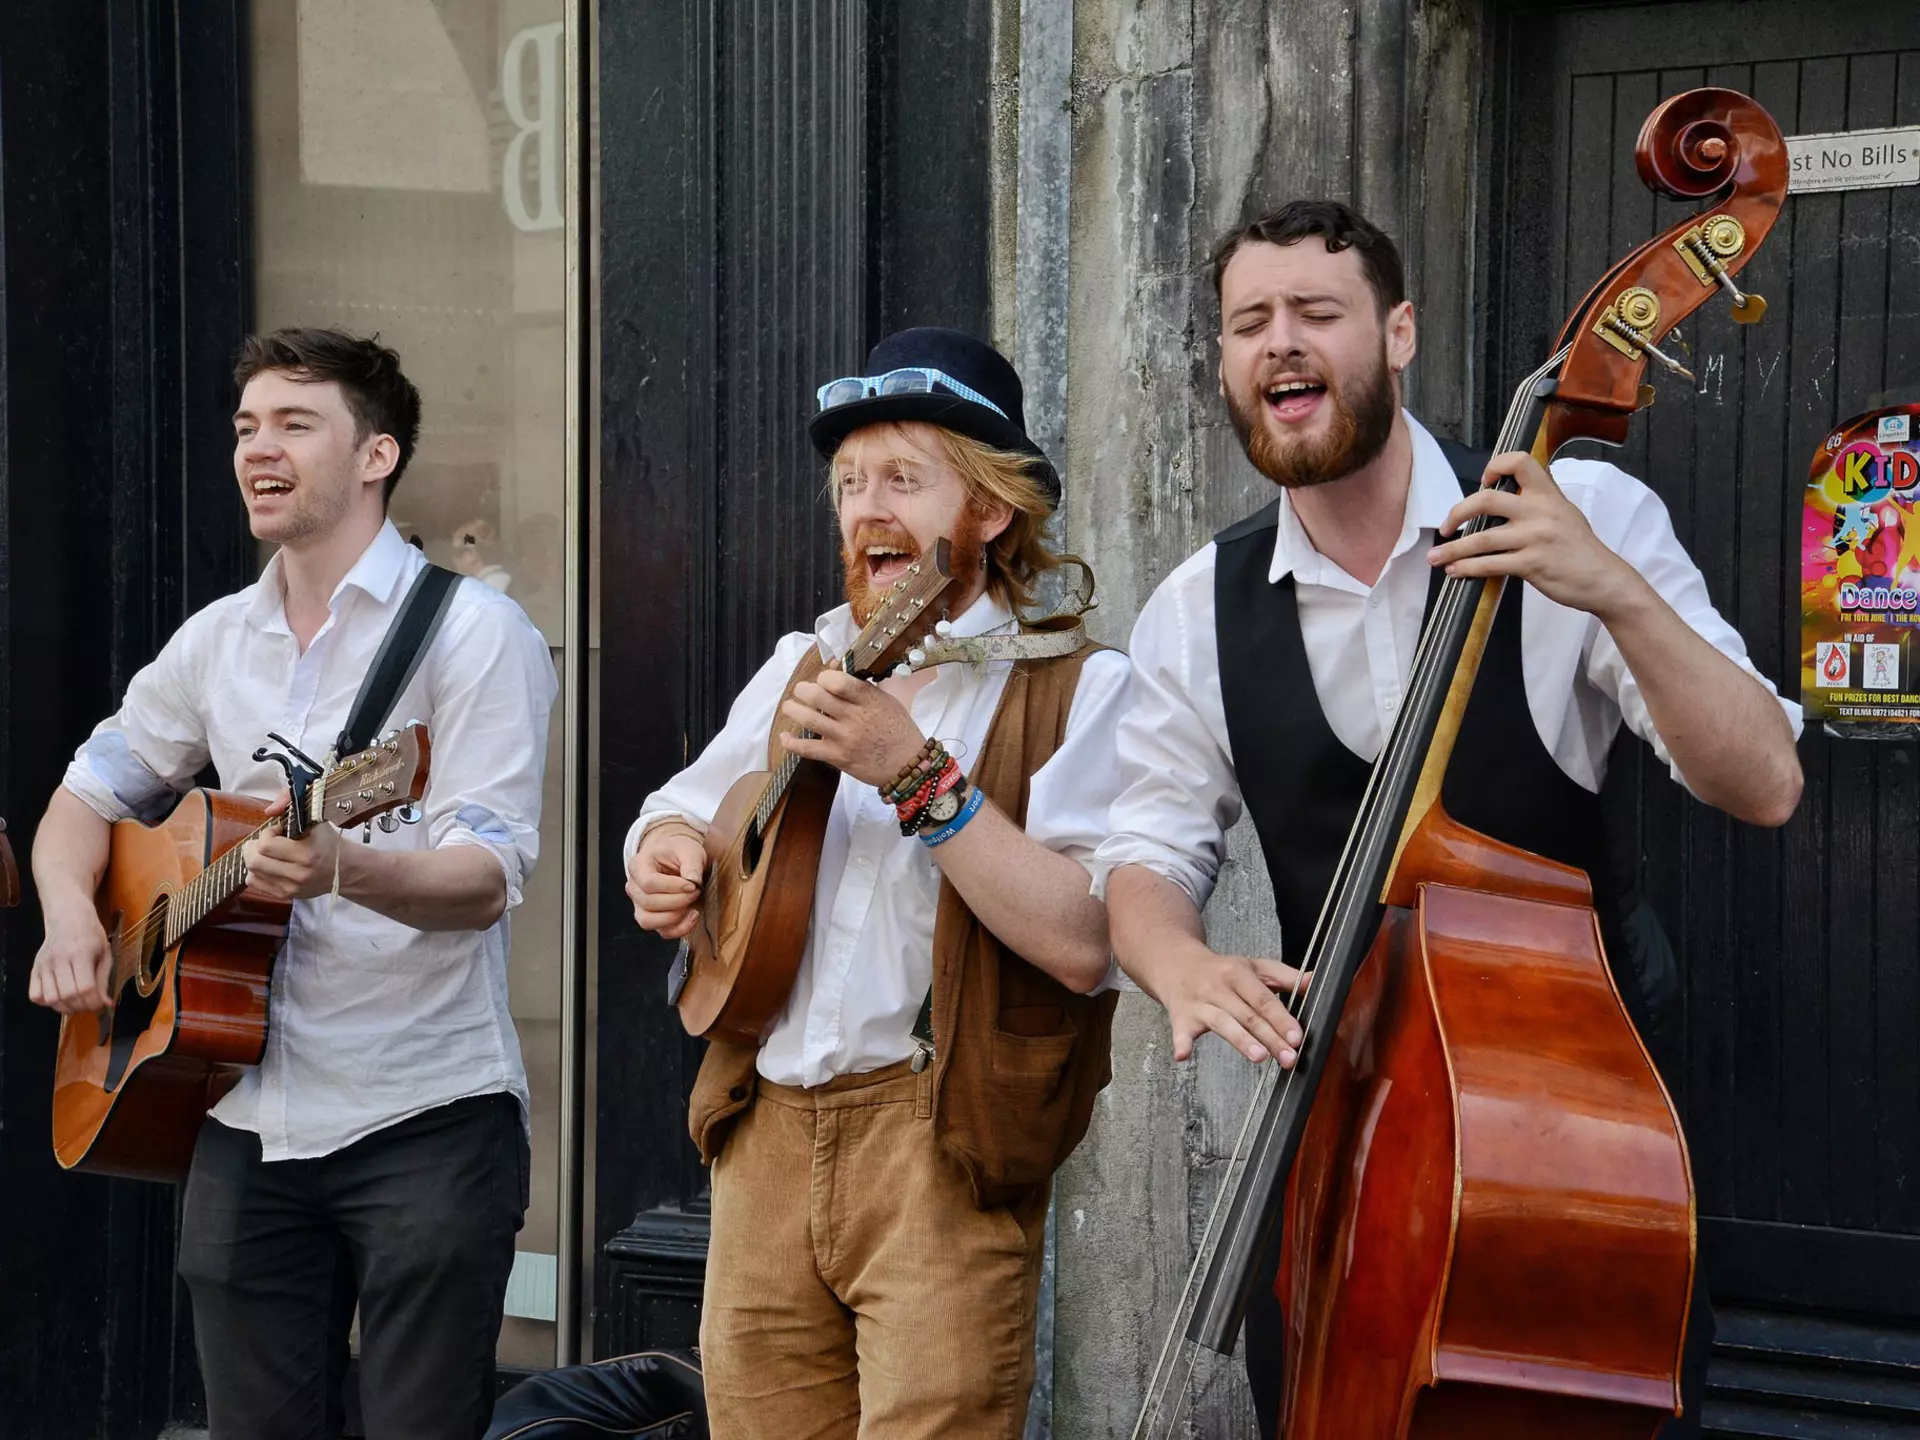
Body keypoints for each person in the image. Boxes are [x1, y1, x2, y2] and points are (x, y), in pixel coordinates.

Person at [1093, 200, 1804, 1437]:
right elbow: (1146, 850)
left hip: (1568, 1150)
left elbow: (1765, 784)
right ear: (1221, 362)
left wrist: (1615, 594)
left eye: (1317, 313)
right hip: (1334, 1152)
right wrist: (1180, 963)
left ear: (1400, 330)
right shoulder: (1196, 605)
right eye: (1249, 322)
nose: (1280, 344)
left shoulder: (1580, 516)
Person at [29, 327, 558, 1440]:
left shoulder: (474, 635)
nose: (257, 448)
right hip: (242, 1110)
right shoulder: (217, 643)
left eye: (294, 423)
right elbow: (84, 798)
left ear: (377, 455)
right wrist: (73, 917)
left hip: (425, 1112)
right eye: (245, 427)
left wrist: (346, 868)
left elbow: (486, 875)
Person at [624, 327, 1130, 1439]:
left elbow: (1089, 941)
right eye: (851, 484)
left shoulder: (1082, 686)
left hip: (940, 1146)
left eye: (904, 478)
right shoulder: (803, 659)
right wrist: (661, 854)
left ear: (991, 511)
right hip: (763, 1134)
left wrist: (914, 771)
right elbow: (685, 806)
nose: (866, 509)